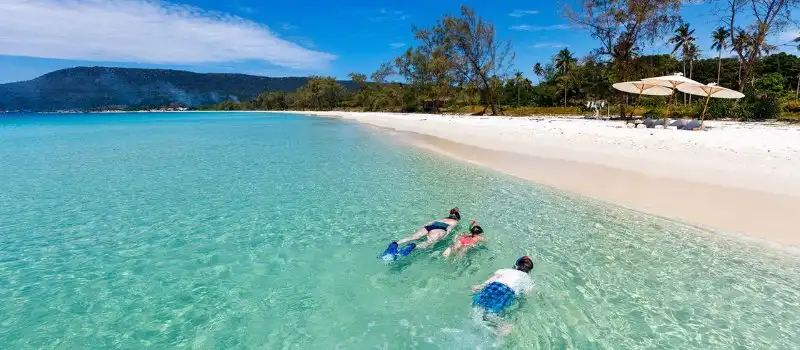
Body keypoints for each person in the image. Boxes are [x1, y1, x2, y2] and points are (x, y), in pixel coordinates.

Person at [471, 256, 535, 335]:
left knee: (478, 306)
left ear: (516, 266)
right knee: (491, 312)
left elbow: (494, 278)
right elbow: (528, 293)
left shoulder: (506, 270)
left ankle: (478, 325)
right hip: (507, 291)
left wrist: (480, 286)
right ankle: (503, 325)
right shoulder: (526, 278)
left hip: (494, 286)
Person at [382, 208, 460, 259]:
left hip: (429, 226)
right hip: (440, 229)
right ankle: (413, 246)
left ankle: (396, 243)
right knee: (428, 243)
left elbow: (429, 222)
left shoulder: (443, 218)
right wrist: (445, 236)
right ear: (457, 216)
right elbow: (449, 228)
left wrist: (421, 228)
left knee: (413, 237)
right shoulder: (455, 222)